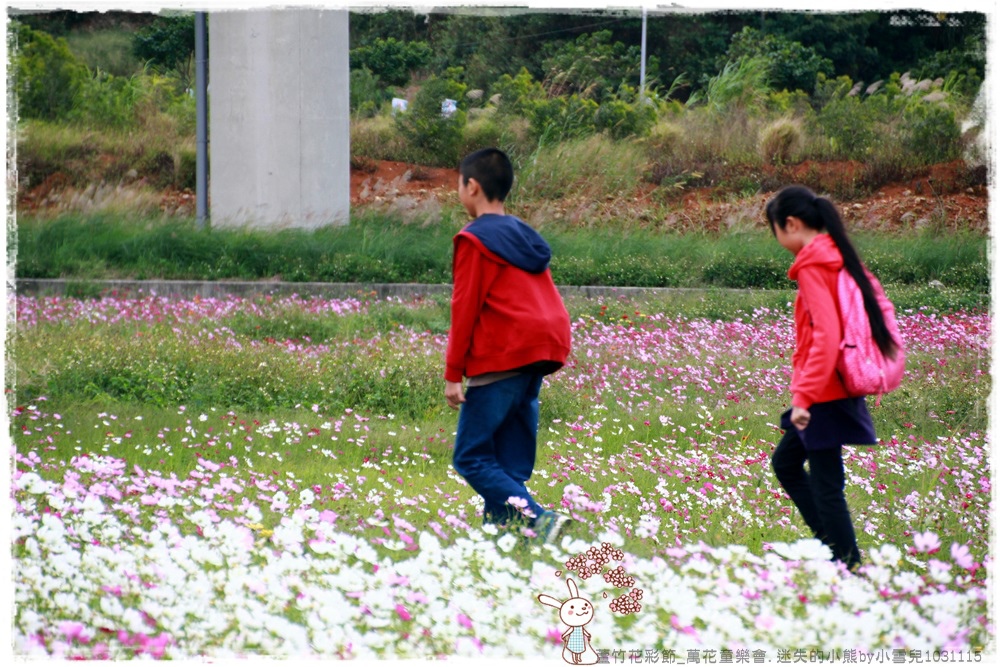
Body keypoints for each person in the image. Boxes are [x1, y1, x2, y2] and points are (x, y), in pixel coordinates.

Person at [765, 184, 900, 572]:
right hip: (831, 385)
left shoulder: (813, 265)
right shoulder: (838, 258)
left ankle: (848, 566)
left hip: (825, 389)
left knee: (826, 486)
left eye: (774, 228)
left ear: (790, 224)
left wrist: (803, 398)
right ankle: (834, 552)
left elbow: (826, 336)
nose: (776, 237)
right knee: (787, 463)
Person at [445, 147, 573, 544]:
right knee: (509, 460)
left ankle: (539, 519)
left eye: (459, 186)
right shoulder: (523, 234)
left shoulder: (475, 240)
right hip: (541, 347)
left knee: (471, 456)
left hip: (504, 351)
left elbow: (464, 308)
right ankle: (500, 533)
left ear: (473, 186)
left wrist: (453, 375)